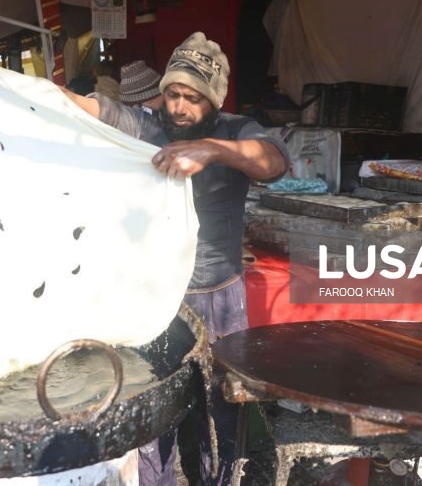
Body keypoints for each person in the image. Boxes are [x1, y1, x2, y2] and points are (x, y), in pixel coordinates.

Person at [62, 32, 289, 485]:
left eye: (192, 98)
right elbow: (91, 109)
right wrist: (9, 87)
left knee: (221, 418)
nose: (180, 107)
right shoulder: (149, 127)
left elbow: (274, 162)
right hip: (157, 304)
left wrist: (212, 151)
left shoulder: (236, 131)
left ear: (214, 100)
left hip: (220, 299)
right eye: (172, 94)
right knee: (155, 420)